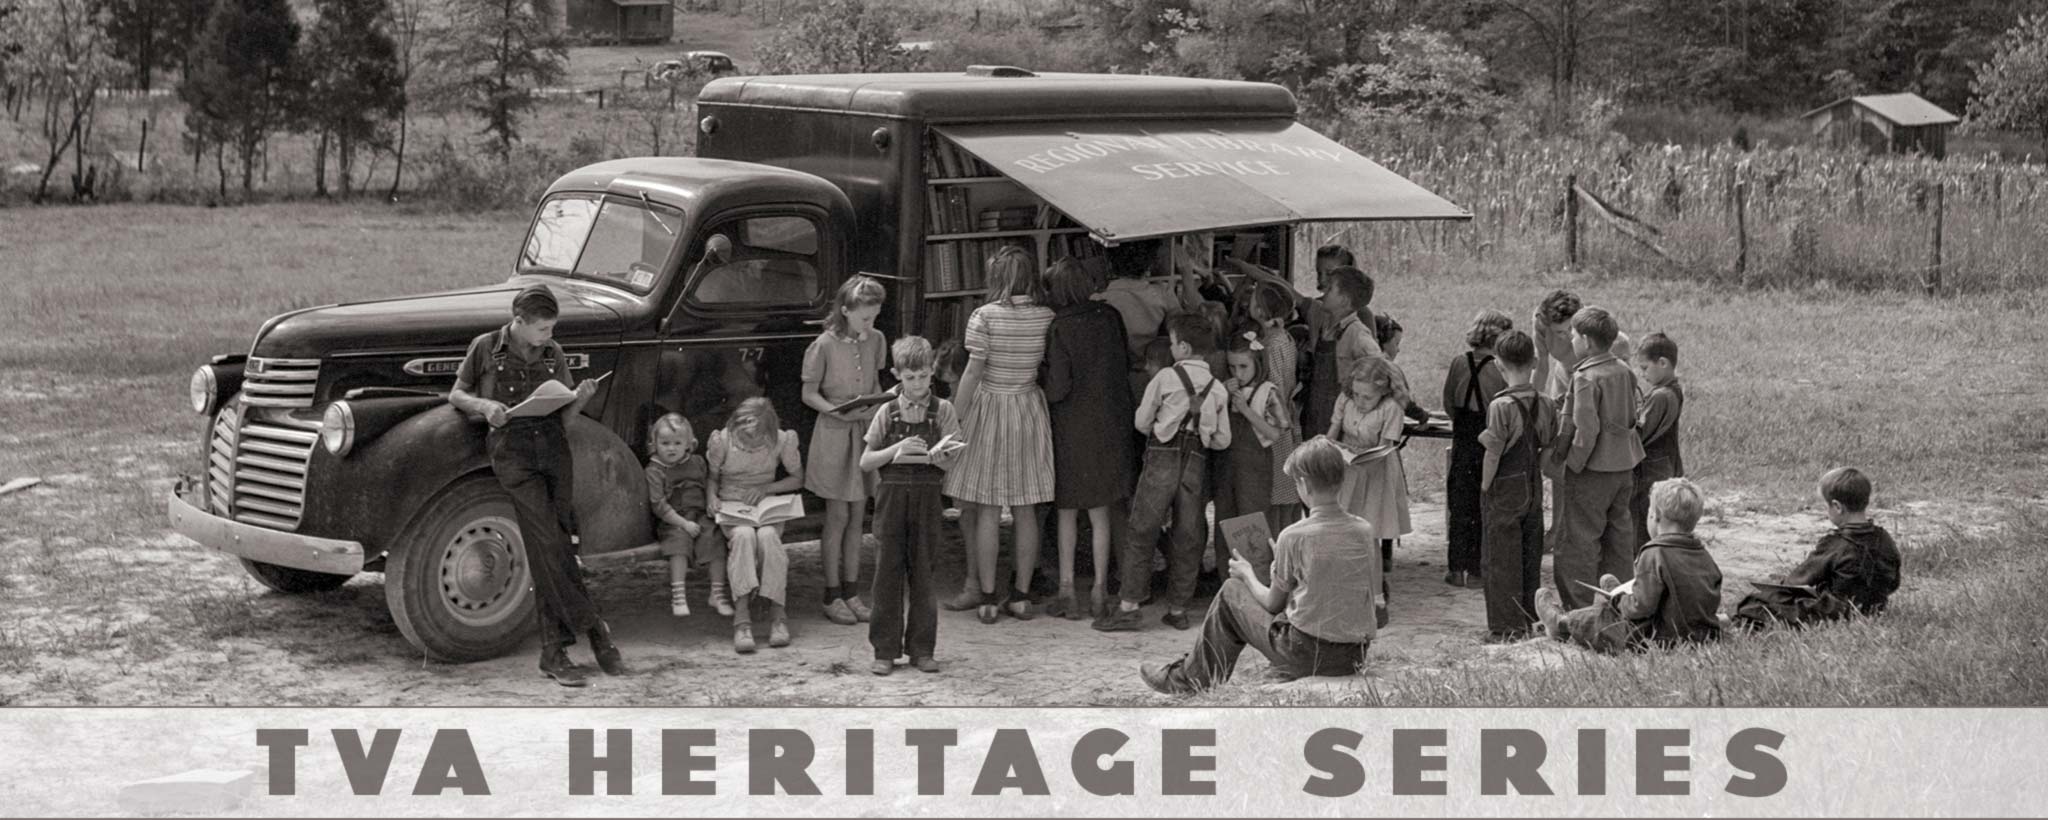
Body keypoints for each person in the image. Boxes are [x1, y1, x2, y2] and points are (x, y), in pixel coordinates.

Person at [447, 283, 614, 687]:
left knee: (552, 544)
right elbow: (456, 393)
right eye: (542, 329)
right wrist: (485, 406)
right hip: (514, 455)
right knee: (550, 543)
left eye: (552, 328)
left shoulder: (554, 354)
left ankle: (553, 653)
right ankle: (594, 630)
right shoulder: (485, 348)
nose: (549, 337)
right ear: (518, 322)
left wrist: (579, 398)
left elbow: (566, 418)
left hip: (554, 452)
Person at [1137, 437, 1378, 694]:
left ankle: (1187, 679)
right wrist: (1283, 565)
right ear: (1341, 480)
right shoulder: (1364, 530)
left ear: (1304, 484)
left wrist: (1247, 574)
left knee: (1231, 591)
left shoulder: (1294, 536)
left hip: (1306, 653)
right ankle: (1198, 673)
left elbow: (1273, 603)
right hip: (1353, 655)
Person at [1095, 313, 1231, 632]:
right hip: (1196, 462)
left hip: (1161, 458)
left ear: (1183, 347)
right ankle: (1179, 608)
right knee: (1189, 535)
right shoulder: (1219, 390)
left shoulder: (1165, 379)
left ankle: (1129, 606)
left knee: (1142, 528)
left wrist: (1162, 425)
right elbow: (1224, 441)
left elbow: (1141, 422)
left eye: (1171, 344)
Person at [945, 245, 1058, 625]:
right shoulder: (1046, 316)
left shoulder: (984, 317)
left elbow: (973, 373)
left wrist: (954, 419)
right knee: (1026, 507)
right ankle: (1022, 596)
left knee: (989, 508)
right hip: (1027, 407)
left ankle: (989, 598)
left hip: (990, 407)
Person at [1040, 260, 1137, 621]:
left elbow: (1059, 387)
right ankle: (1100, 589)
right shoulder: (1110, 317)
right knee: (1101, 511)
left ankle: (1067, 590)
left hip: (1071, 424)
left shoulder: (1059, 327)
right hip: (1111, 422)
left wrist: (1040, 381)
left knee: (1066, 509)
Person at [859, 336, 963, 675]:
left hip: (928, 499)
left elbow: (952, 462)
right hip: (891, 499)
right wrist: (897, 449)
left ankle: (922, 649)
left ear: (932, 372)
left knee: (923, 574)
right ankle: (884, 651)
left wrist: (940, 457)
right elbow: (866, 461)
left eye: (923, 376)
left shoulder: (943, 410)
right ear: (897, 375)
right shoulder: (886, 411)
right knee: (887, 574)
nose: (917, 384)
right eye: (909, 378)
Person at [1537, 477, 1722, 652]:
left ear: (1656, 517)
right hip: (1700, 634)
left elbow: (1640, 608)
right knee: (1631, 601)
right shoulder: (1703, 555)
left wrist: (1620, 603)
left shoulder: (1655, 554)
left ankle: (1561, 623)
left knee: (1603, 616)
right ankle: (1624, 592)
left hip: (1658, 638)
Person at [802, 275, 889, 626]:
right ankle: (831, 593)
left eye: (874, 316)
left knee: (858, 516)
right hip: (835, 434)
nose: (871, 324)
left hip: (865, 434)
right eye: (865, 317)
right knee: (837, 517)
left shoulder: (877, 340)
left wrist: (879, 405)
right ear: (845, 311)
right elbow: (809, 393)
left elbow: (876, 383)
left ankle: (852, 592)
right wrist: (836, 411)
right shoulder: (824, 344)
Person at [1548, 305, 1645, 612]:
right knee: (1618, 537)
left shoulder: (1585, 377)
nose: (1571, 340)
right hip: (1624, 465)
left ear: (1587, 341)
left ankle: (1580, 611)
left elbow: (1586, 430)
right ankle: (1621, 605)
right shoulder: (1624, 370)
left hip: (1592, 468)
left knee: (1579, 540)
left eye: (1574, 335)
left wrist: (1572, 464)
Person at [1732, 468, 1901, 629]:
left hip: (1833, 613)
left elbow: (1797, 581)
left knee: (1756, 603)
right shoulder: (1884, 538)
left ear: (1837, 507)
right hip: (1874, 608)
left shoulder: (1836, 544)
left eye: (1825, 507)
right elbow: (1894, 583)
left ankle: (1734, 625)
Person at [708, 397, 805, 653]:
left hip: (765, 508)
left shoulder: (782, 440)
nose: (751, 437)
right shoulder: (723, 441)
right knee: (742, 536)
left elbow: (797, 478)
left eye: (758, 434)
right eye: (746, 432)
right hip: (733, 506)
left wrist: (766, 488)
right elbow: (712, 477)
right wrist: (712, 496)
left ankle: (778, 615)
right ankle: (742, 620)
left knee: (768, 536)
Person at [1477, 330, 1553, 641]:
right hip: (1533, 483)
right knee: (1530, 553)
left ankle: (1504, 628)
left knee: (1500, 558)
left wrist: (1485, 486)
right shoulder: (1546, 402)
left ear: (1498, 364)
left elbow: (1493, 452)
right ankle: (1530, 618)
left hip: (1504, 487)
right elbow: (1548, 446)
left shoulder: (1501, 406)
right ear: (1534, 361)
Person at [1329, 355, 1409, 621]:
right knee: (1341, 530)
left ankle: (1376, 598)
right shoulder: (1345, 401)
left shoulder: (1391, 409)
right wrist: (1330, 448)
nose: (1360, 402)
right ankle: (1342, 591)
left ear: (1383, 392)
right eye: (1357, 395)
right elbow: (1333, 432)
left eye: (1367, 398)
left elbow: (1386, 448)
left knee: (1369, 535)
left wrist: (1362, 456)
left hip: (1377, 473)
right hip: (1349, 470)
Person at [1213, 327, 1291, 583]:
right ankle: (1227, 583)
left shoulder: (1267, 392)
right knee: (1225, 519)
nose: (1238, 373)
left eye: (1244, 366)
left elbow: (1277, 432)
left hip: (1255, 468)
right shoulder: (1226, 389)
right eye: (1232, 367)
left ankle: (1259, 582)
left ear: (1257, 362)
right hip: (1227, 466)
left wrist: (1245, 410)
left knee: (1252, 523)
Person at [1443, 309, 1513, 589]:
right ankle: (1477, 570)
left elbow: (1449, 401)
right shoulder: (1500, 368)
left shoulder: (1459, 362)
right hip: (1488, 437)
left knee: (1459, 505)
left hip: (1463, 437)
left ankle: (1455, 568)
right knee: (1483, 504)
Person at [645, 413, 728, 619]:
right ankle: (678, 595)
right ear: (654, 443)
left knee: (715, 538)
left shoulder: (697, 462)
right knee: (678, 544)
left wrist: (712, 500)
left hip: (700, 514)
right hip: (674, 518)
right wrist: (683, 523)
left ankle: (717, 593)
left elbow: (709, 482)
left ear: (689, 444)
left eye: (677, 443)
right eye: (664, 443)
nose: (671, 448)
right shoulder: (655, 470)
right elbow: (659, 505)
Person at [1243, 282, 1303, 531]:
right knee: (1286, 490)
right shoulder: (1284, 337)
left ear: (1259, 309)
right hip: (1288, 419)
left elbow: (1275, 385)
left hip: (1276, 421)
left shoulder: (1271, 344)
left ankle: (1277, 546)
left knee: (1277, 491)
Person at [1303, 266, 1379, 440]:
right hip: (1315, 413)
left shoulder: (1356, 333)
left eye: (1330, 289)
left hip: (1339, 419)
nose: (1324, 292)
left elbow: (1381, 369)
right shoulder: (1325, 326)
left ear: (1344, 301)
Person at [1094, 239, 1201, 361]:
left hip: (1117, 368)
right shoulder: (1162, 292)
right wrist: (1186, 272)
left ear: (1110, 263)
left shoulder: (1100, 299)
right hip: (1152, 364)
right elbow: (1187, 324)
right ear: (1150, 263)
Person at [1631, 332, 1685, 552]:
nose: (1642, 374)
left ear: (1662, 363)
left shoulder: (1661, 395)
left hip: (1651, 472)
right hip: (1666, 466)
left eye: (1645, 368)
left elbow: (1640, 432)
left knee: (1645, 529)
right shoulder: (1674, 389)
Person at [1374, 312, 1430, 423]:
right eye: (1396, 344)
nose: (1398, 350)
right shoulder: (1388, 367)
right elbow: (1402, 398)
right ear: (1384, 342)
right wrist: (1422, 416)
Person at [1530, 289, 1583, 400]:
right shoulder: (1541, 324)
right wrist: (1533, 402)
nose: (1571, 337)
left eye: (1571, 328)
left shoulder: (1590, 323)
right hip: (1564, 374)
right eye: (1560, 332)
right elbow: (1541, 366)